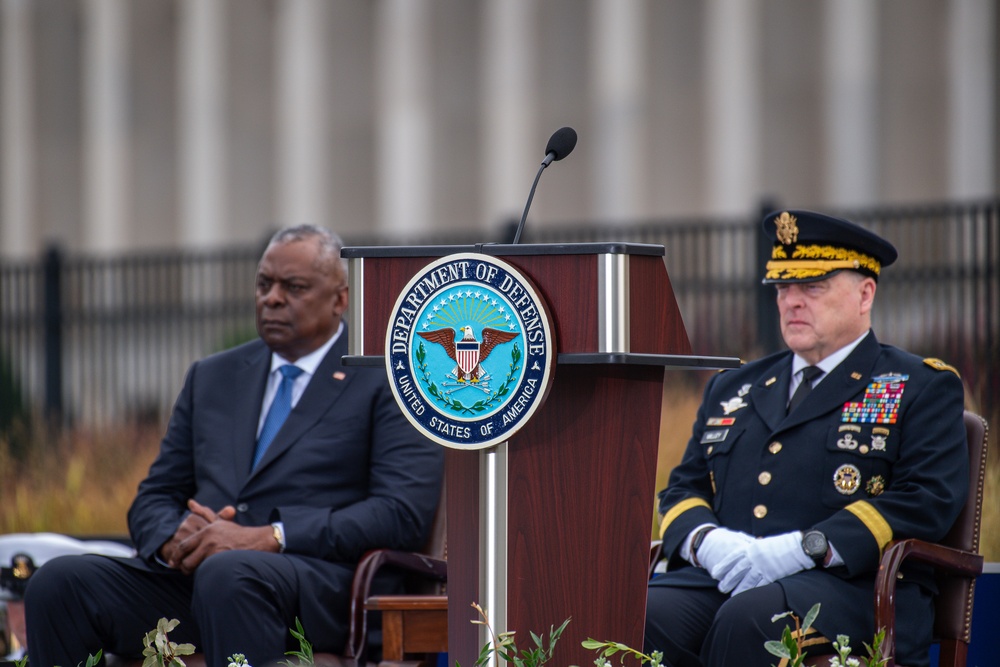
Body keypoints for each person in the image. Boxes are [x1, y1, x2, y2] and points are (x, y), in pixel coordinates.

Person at [24, 225, 444, 667]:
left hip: (317, 587)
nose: (273, 298)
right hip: (201, 580)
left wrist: (272, 536)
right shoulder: (214, 376)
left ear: (340, 299)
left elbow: (401, 513)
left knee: (231, 573)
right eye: (264, 284)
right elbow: (153, 497)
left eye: (293, 287)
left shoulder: (388, 378)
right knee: (60, 583)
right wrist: (173, 536)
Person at [644, 210, 968, 667]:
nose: (792, 301)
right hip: (729, 576)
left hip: (852, 587)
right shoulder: (734, 386)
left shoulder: (918, 385)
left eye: (812, 288)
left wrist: (804, 547)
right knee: (641, 614)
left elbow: (926, 500)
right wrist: (706, 543)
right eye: (783, 288)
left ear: (865, 293)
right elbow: (682, 489)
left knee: (748, 621)